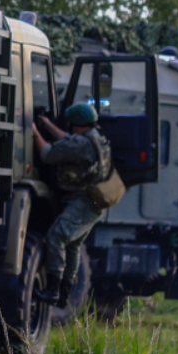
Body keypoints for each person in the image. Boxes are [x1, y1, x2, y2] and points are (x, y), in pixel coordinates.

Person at [32, 102, 112, 308]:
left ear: (76, 123)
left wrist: (33, 132)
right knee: (73, 245)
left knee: (56, 236)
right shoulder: (94, 137)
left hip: (84, 201)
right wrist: (48, 125)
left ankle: (53, 289)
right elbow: (67, 140)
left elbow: (48, 153)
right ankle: (64, 294)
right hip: (94, 201)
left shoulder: (82, 144)